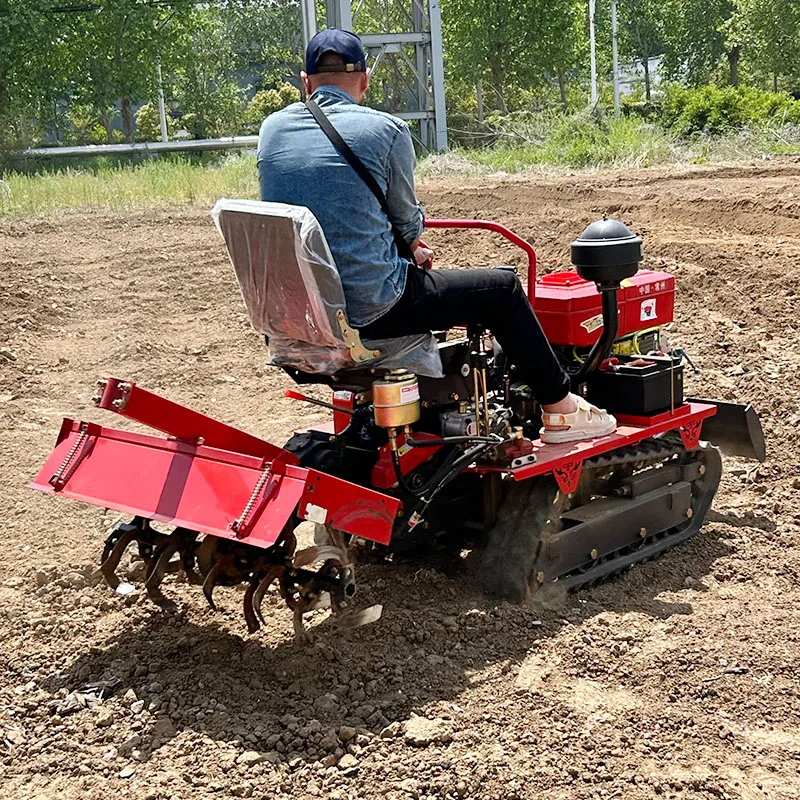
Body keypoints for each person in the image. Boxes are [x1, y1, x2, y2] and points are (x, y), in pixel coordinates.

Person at [257, 28, 616, 444]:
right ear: (365, 80)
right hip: (372, 310)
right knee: (501, 289)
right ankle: (561, 409)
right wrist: (413, 247)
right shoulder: (386, 130)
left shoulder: (272, 130)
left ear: (306, 82)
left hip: (298, 319)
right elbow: (408, 224)